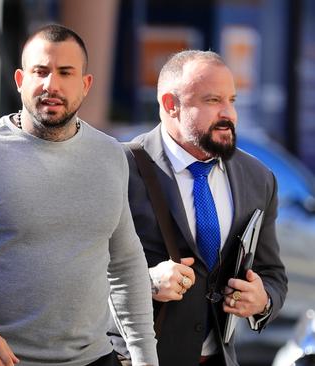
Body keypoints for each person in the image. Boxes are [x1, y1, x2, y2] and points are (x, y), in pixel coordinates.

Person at [0, 24, 158, 366]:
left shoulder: (111, 155)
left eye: (65, 73)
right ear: (20, 80)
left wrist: (146, 359)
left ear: (85, 85)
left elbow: (126, 264)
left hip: (96, 360)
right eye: (40, 71)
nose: (51, 85)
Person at [111, 50, 288, 365]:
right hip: (133, 359)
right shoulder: (117, 168)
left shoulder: (258, 178)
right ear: (170, 105)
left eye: (231, 100)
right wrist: (145, 282)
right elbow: (77, 273)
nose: (228, 113)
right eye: (212, 101)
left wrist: (261, 300)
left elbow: (272, 273)